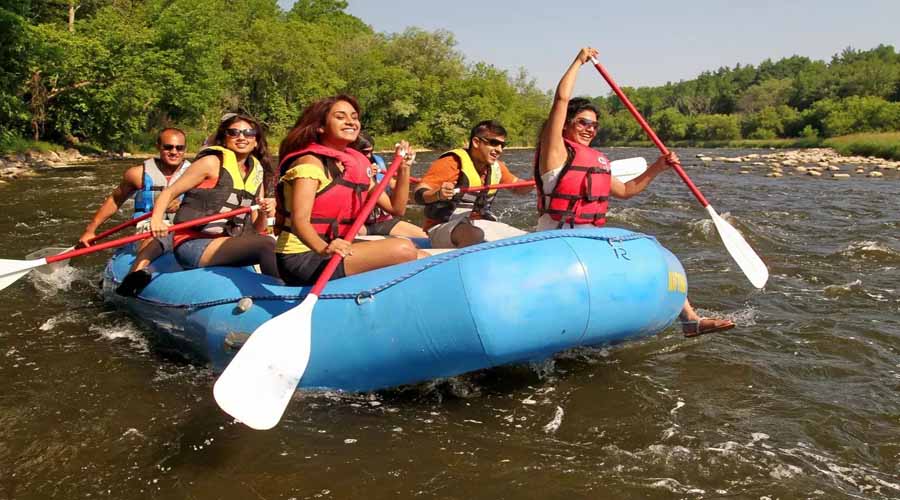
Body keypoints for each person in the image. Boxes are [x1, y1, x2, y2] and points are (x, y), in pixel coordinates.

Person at [536, 47, 735, 337]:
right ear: (566, 124)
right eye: (583, 122)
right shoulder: (554, 151)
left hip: (590, 238)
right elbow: (562, 99)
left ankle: (690, 320)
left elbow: (627, 190)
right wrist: (578, 62)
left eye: (594, 125)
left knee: (656, 252)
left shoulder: (598, 161)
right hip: (558, 239)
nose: (590, 129)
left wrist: (658, 166)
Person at [274, 95, 422, 286]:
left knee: (421, 255)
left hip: (336, 246)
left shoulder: (357, 164)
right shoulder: (310, 164)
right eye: (340, 117)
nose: (351, 122)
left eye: (354, 117)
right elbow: (299, 222)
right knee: (403, 248)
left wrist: (403, 167)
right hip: (302, 256)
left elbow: (396, 208)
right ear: (320, 126)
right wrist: (324, 248)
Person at [139, 113, 277, 289]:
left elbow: (257, 229)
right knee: (266, 244)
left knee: (267, 242)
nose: (242, 137)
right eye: (234, 132)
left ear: (256, 141)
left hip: (227, 242)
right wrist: (157, 220)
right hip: (193, 244)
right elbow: (169, 192)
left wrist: (265, 213)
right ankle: (280, 291)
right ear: (224, 139)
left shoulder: (256, 173)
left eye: (249, 133)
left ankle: (280, 289)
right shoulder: (211, 163)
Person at [77, 128, 191, 296]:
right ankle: (134, 277)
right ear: (158, 146)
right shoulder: (137, 174)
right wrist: (90, 231)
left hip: (181, 227)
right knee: (156, 238)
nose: (174, 152)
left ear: (185, 149)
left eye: (179, 148)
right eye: (168, 147)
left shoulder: (197, 173)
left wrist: (182, 205)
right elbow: (115, 200)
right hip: (148, 228)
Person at [414, 120, 533, 248]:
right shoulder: (451, 163)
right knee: (474, 234)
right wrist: (437, 194)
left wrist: (537, 178)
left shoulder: (497, 167)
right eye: (493, 143)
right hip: (442, 227)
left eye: (502, 145)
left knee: (526, 239)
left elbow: (519, 188)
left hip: (478, 225)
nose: (499, 150)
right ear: (476, 142)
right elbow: (419, 193)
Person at [350, 132, 427, 239]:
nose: (369, 156)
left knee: (426, 237)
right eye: (365, 152)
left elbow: (393, 185)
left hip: (381, 221)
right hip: (358, 225)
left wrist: (404, 168)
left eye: (371, 152)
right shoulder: (343, 167)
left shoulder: (375, 162)